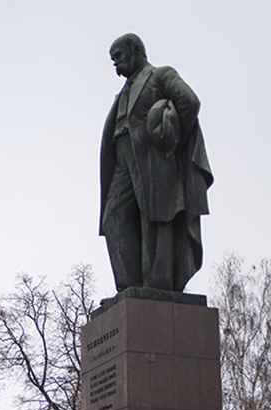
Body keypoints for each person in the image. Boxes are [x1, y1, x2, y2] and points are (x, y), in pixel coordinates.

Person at [100, 33, 213, 293]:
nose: (115, 64)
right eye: (112, 60)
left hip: (153, 159)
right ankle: (130, 289)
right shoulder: (123, 92)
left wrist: (172, 141)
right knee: (113, 218)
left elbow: (189, 101)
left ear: (136, 49)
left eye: (118, 56)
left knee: (155, 218)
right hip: (122, 158)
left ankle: (157, 284)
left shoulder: (160, 75)